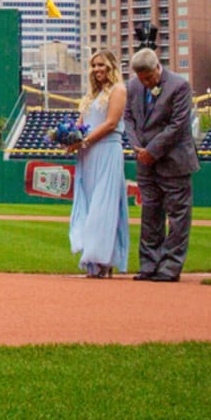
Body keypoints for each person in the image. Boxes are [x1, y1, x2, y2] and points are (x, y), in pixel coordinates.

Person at [125, 48, 198, 282]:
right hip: (145, 162)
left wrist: (152, 151)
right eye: (141, 78)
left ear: (158, 67)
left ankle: (170, 266)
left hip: (174, 161)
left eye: (149, 77)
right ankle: (148, 264)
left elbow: (178, 125)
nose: (146, 82)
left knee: (178, 216)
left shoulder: (179, 86)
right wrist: (138, 147)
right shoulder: (133, 87)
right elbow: (128, 118)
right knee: (150, 213)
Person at [66, 49, 129, 278]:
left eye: (101, 65)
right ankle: (94, 262)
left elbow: (111, 123)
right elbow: (81, 124)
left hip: (107, 151)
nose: (97, 70)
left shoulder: (118, 90)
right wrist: (71, 139)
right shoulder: (91, 96)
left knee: (104, 207)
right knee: (90, 203)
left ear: (110, 66)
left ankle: (104, 259)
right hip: (88, 154)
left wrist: (85, 140)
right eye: (94, 66)